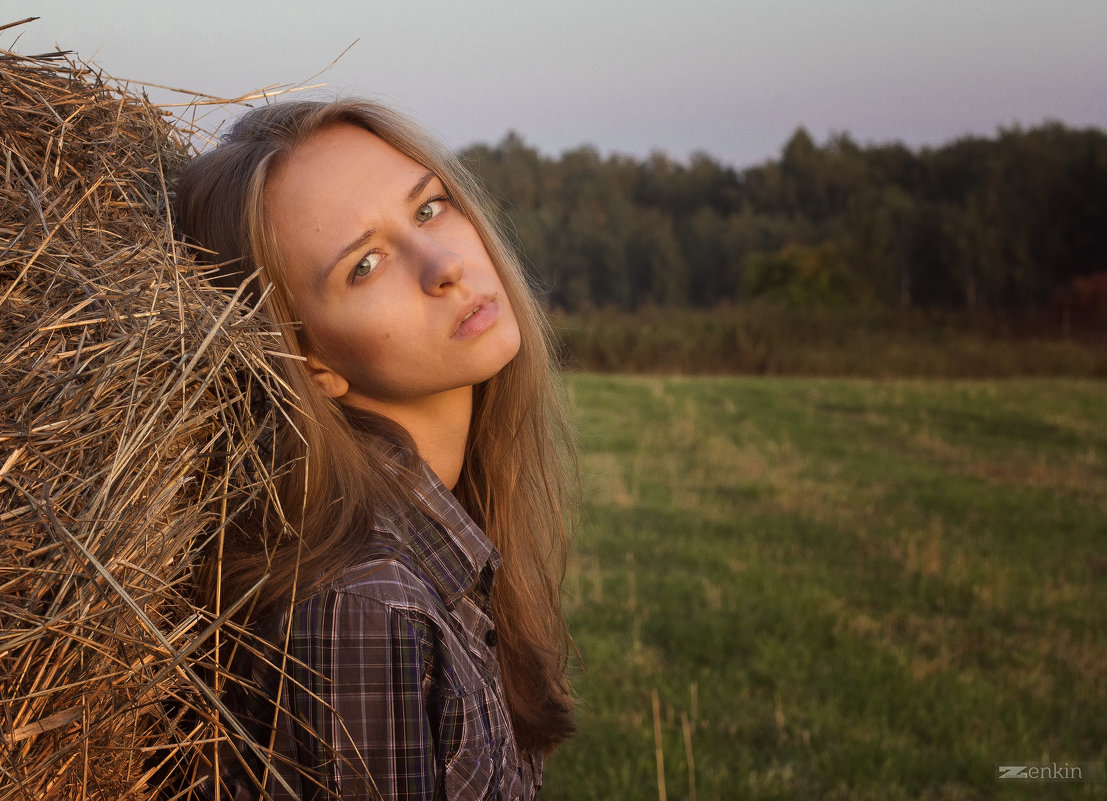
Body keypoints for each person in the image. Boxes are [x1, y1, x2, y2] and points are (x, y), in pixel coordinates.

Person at [173, 99, 576, 800]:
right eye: (364, 264)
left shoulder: (433, 547)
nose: (445, 264)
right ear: (309, 363)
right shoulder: (359, 611)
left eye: (428, 209)